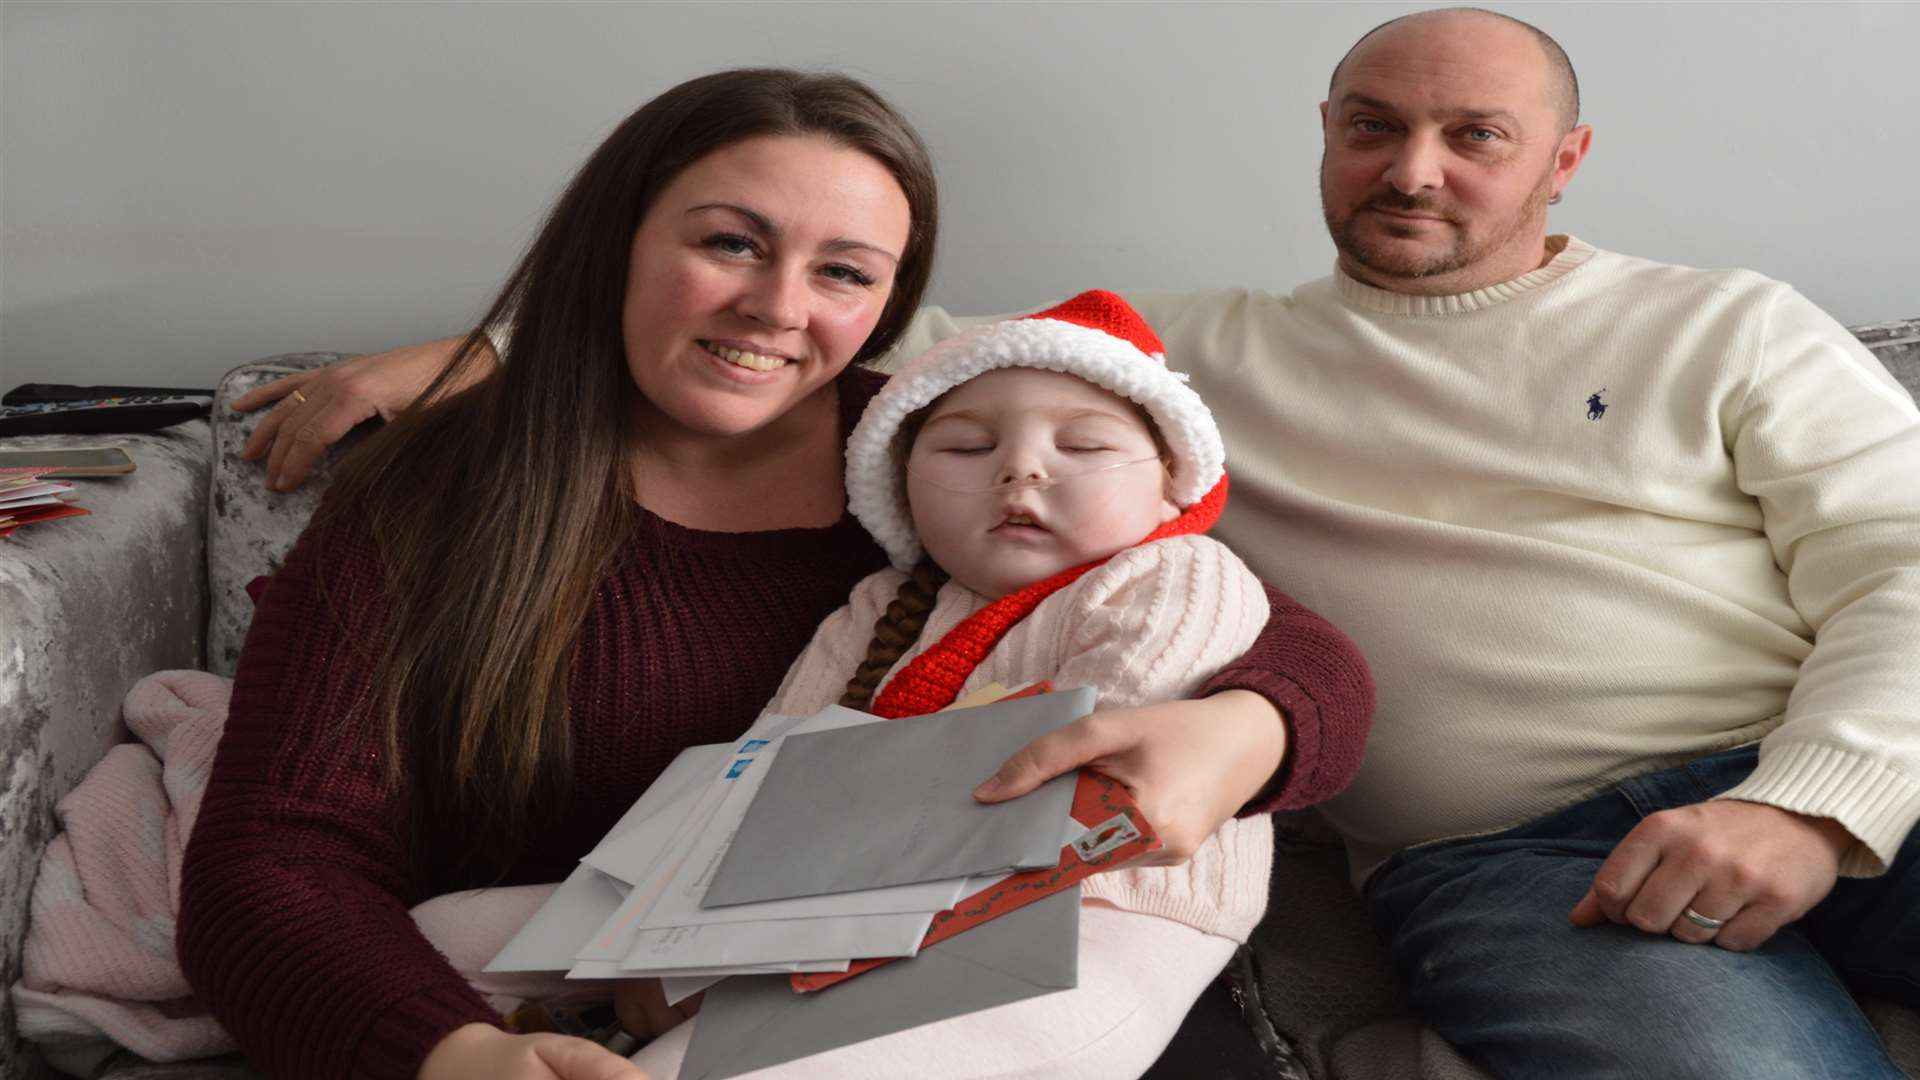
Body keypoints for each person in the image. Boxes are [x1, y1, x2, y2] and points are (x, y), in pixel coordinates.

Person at [253, 9, 1920, 1077]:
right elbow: (829, 324)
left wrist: (1806, 799)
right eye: (1370, 125)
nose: (1412, 170)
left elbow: (1905, 558)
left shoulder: (1732, 326)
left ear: (1564, 162)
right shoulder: (1152, 369)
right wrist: (473, 353)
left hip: (1822, 767)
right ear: (1323, 138)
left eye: (1475, 135)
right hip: (1515, 868)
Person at [181, 68, 1373, 1080]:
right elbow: (271, 860)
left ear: (889, 309)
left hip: (964, 940)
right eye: (729, 243)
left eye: (845, 274)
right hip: (650, 939)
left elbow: (1246, 621)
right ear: (615, 248)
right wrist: (454, 1052)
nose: (778, 308)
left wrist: (1247, 732)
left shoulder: (935, 459)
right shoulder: (443, 495)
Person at [625, 287, 1315, 1076]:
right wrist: (666, 931)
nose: (1021, 468)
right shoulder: (883, 603)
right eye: (963, 448)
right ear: (903, 487)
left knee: (702, 1065)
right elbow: (765, 766)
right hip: (855, 907)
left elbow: (1083, 770)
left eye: (1084, 447)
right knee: (460, 930)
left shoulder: (1180, 572)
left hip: (1103, 915)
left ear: (1169, 483)